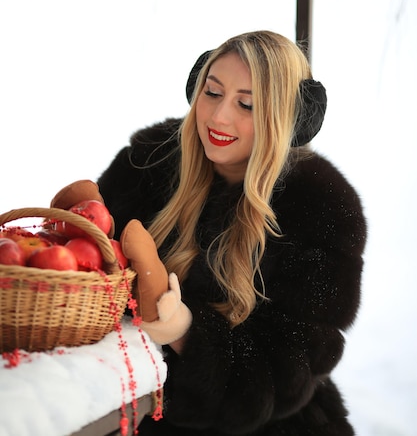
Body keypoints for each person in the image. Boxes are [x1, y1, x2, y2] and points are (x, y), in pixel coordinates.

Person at [97, 30, 367, 436]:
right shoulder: (146, 163)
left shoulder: (319, 207)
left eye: (247, 104)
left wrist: (187, 332)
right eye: (211, 93)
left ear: (286, 116)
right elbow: (86, 261)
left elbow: (285, 374)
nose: (219, 117)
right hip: (131, 406)